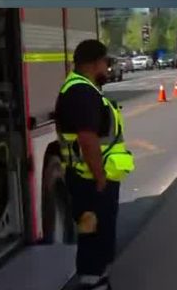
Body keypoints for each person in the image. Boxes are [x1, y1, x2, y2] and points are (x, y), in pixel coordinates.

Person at [55, 40, 135, 290]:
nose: (107, 68)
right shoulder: (82, 92)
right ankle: (94, 284)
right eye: (105, 62)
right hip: (89, 181)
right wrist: (100, 178)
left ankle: (98, 281)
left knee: (98, 238)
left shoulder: (84, 88)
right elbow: (87, 139)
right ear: (93, 63)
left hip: (89, 179)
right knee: (94, 239)